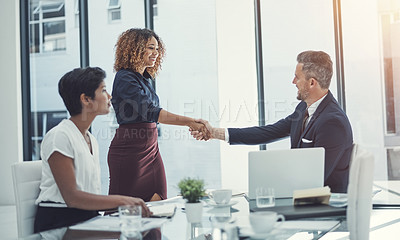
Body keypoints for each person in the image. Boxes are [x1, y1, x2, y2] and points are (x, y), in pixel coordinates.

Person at [191, 50, 353, 193]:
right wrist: (214, 133)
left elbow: (315, 178)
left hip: (326, 205)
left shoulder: (332, 122)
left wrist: (271, 180)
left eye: (297, 77)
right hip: (302, 197)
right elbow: (268, 132)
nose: (293, 82)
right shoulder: (303, 109)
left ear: (312, 82)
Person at [34, 67, 151, 233]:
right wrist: (122, 201)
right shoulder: (59, 136)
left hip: (87, 218)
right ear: (86, 99)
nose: (109, 96)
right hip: (60, 222)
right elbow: (72, 198)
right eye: (103, 90)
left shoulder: (91, 139)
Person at [108, 28, 210, 202]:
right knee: (124, 208)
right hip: (130, 151)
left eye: (157, 49)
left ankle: (153, 231)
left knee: (159, 200)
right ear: (134, 49)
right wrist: (190, 122)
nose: (155, 53)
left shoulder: (144, 79)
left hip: (151, 149)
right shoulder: (124, 77)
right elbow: (153, 113)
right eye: (150, 48)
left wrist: (190, 122)